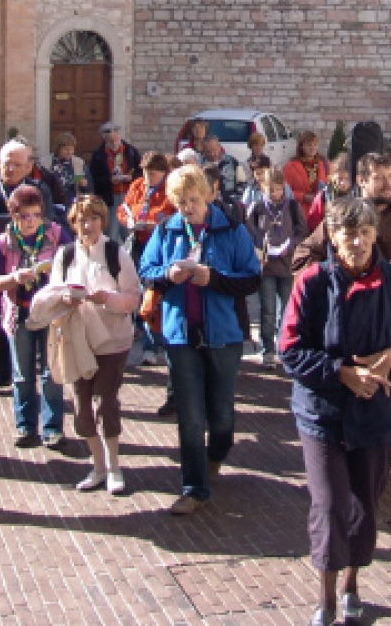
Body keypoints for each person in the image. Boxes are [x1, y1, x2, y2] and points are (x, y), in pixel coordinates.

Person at [280, 196, 391, 626]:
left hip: (376, 410)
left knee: (365, 502)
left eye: (364, 233)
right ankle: (324, 593)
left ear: (374, 235)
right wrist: (339, 373)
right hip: (323, 412)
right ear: (333, 240)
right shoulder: (312, 282)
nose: (357, 242)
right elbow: (289, 350)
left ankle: (352, 584)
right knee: (329, 504)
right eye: (348, 234)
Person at [294, 152, 391, 458]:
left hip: (387, 323)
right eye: (379, 178)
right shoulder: (342, 216)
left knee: (390, 396)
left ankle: (383, 453)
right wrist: (329, 279)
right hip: (341, 322)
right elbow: (302, 256)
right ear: (361, 181)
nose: (388, 184)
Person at [138, 165, 261, 515]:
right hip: (180, 336)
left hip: (224, 335)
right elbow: (146, 271)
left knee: (221, 416)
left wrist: (215, 279)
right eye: (181, 202)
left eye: (193, 200)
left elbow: (251, 277)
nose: (188, 208)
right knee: (190, 416)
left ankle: (216, 454)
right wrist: (166, 275)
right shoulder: (166, 231)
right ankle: (194, 488)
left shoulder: (231, 229)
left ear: (207, 196)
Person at [30, 195, 140, 495]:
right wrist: (64, 298)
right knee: (81, 407)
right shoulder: (65, 255)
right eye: (81, 220)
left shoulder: (117, 254)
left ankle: (115, 467)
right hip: (77, 338)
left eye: (92, 219)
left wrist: (108, 299)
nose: (86, 225)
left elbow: (133, 298)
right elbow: (52, 292)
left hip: (112, 339)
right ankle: (98, 465)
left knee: (106, 402)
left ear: (102, 221)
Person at [0, 185, 70, 449]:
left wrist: (54, 275)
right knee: (22, 373)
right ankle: (25, 425)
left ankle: (52, 427)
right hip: (19, 312)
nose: (31, 221)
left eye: (36, 215)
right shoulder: (3, 243)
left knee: (51, 371)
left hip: (49, 312)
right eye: (24, 216)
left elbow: (73, 264)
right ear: (13, 216)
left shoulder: (55, 235)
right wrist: (14, 278)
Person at [0, 140, 56, 395]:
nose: (10, 169)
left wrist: (3, 221)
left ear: (28, 167)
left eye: (16, 165)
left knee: (34, 316)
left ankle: (36, 369)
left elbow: (47, 222)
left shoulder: (37, 190)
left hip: (33, 262)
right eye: (6, 164)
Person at [246, 166, 308, 367]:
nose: (276, 194)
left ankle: (284, 346)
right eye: (271, 190)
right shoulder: (257, 208)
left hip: (287, 264)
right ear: (264, 188)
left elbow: (302, 230)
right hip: (267, 266)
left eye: (279, 189)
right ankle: (268, 350)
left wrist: (291, 245)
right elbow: (249, 232)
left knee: (287, 309)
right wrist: (259, 247)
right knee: (268, 309)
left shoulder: (291, 206)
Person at [121, 151, 178, 366]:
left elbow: (174, 213)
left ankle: (156, 344)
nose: (148, 178)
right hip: (138, 242)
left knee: (154, 293)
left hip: (161, 245)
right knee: (140, 291)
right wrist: (128, 221)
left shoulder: (170, 188)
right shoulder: (137, 185)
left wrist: (158, 223)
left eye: (153, 174)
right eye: (145, 173)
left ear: (163, 173)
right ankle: (148, 342)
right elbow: (125, 208)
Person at [90, 121, 141, 210]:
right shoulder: (98, 155)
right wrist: (109, 180)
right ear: (105, 139)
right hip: (109, 197)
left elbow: (141, 171)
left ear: (120, 136)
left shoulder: (131, 151)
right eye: (110, 140)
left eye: (116, 139)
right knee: (112, 223)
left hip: (130, 194)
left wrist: (131, 177)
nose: (114, 143)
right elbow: (94, 178)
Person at [307, 154, 353, 232]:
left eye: (347, 179)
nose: (343, 183)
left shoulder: (359, 196)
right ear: (333, 177)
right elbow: (312, 224)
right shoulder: (323, 197)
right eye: (340, 178)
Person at [46, 131, 89, 209]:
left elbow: (84, 187)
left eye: (72, 149)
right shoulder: (46, 162)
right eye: (66, 149)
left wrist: (83, 184)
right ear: (58, 149)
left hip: (72, 204)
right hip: (52, 203)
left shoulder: (77, 163)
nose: (70, 152)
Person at [283, 130, 329, 203]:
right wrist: (303, 197)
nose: (312, 147)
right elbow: (284, 192)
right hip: (299, 210)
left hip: (320, 210)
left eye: (315, 144)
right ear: (301, 146)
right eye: (309, 145)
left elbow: (330, 187)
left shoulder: (324, 164)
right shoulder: (290, 167)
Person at [201, 133, 245, 204]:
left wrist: (236, 199)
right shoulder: (199, 165)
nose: (212, 154)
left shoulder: (232, 162)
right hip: (208, 203)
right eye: (208, 152)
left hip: (230, 202)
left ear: (219, 147)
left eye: (214, 150)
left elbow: (242, 183)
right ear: (203, 151)